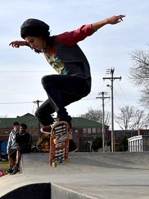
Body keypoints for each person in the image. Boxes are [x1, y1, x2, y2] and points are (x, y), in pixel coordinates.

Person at [9, 14, 125, 152]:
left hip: (80, 82)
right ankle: (67, 141)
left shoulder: (62, 40)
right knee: (41, 113)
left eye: (32, 41)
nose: (32, 45)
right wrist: (23, 43)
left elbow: (82, 31)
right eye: (29, 42)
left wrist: (106, 21)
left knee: (47, 81)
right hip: (68, 90)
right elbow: (33, 44)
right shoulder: (43, 48)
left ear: (42, 36)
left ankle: (63, 119)